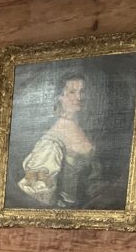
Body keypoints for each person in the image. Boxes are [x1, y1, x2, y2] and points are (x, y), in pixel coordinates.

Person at [17, 73, 103, 209]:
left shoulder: (80, 127)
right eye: (72, 92)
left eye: (82, 92)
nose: (79, 97)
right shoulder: (51, 142)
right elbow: (39, 194)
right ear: (59, 96)